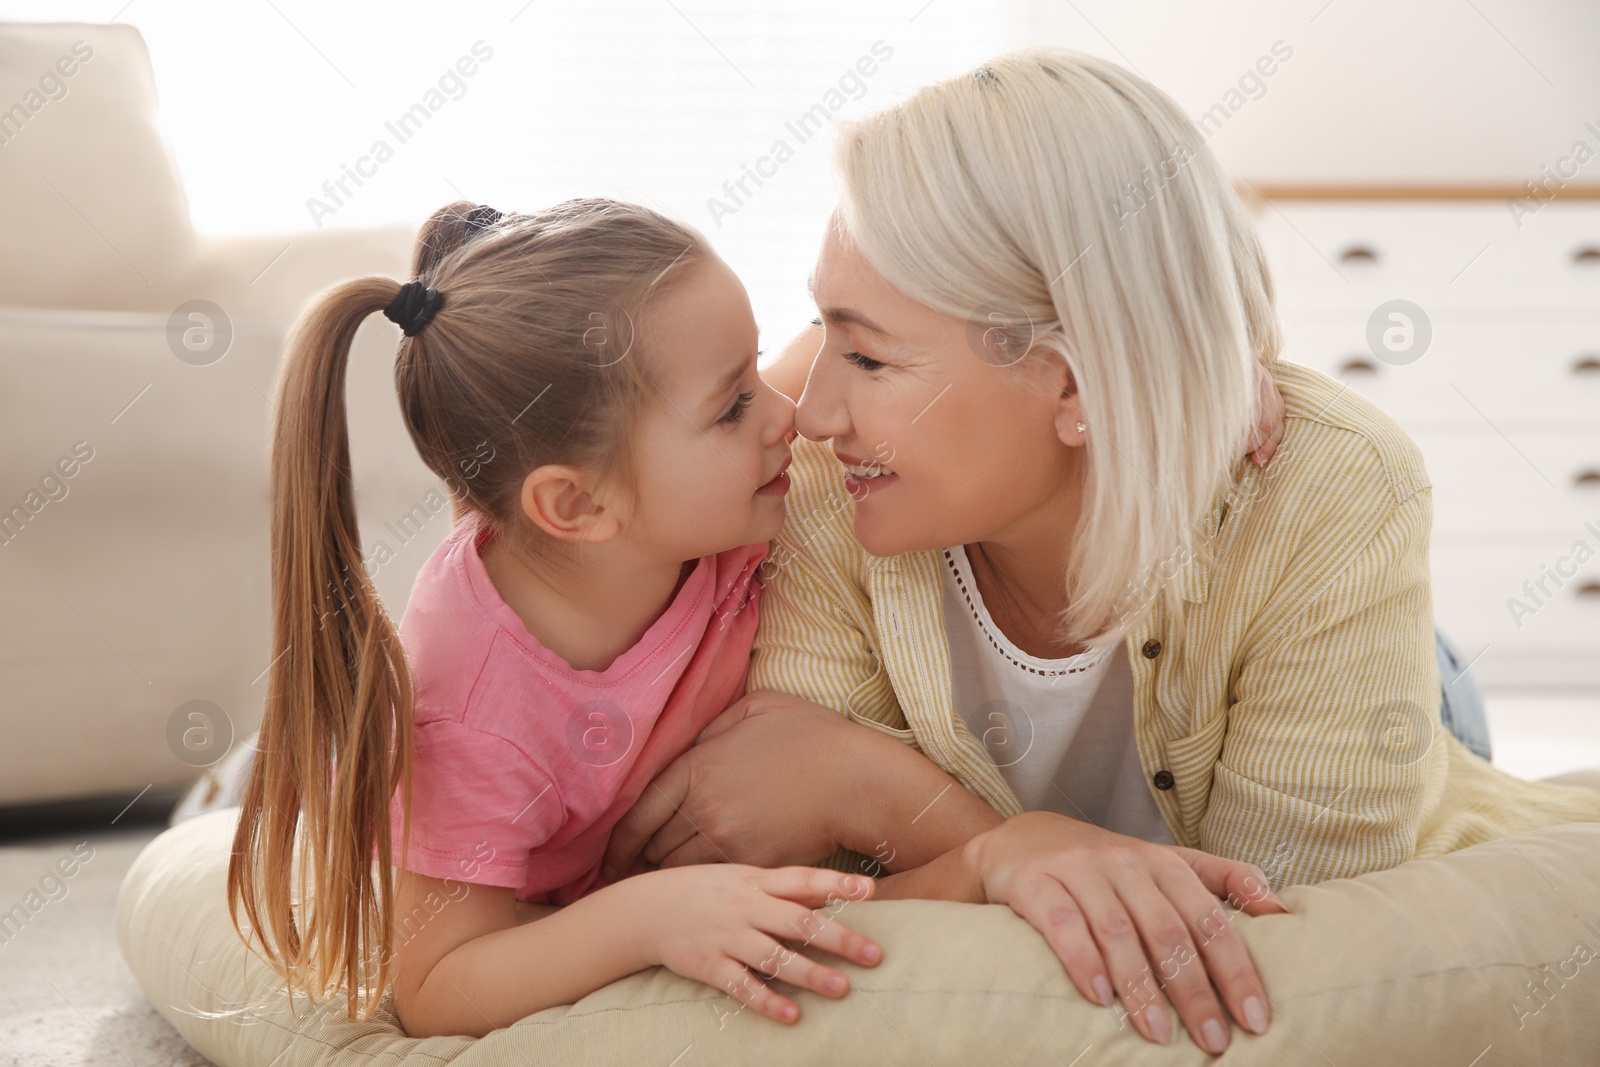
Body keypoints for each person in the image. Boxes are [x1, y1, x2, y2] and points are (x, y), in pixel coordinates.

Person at [598, 47, 1600, 1057]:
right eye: (826, 336)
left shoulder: (1337, 487)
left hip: (1376, 676)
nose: (807, 416)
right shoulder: (824, 487)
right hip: (1174, 534)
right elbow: (810, 895)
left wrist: (879, 789)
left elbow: (1273, 930)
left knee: (1428, 694)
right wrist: (995, 851)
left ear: (1074, 386)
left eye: (865, 355)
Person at [224, 197, 889, 1039]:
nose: (787, 414)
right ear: (577, 503)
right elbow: (435, 980)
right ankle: (234, 782)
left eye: (755, 372)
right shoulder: (471, 716)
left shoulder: (693, 490)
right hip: (392, 810)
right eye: (731, 406)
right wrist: (651, 915)